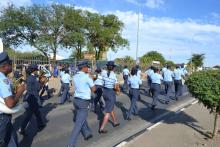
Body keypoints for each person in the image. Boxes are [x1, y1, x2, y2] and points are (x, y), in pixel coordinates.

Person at [0, 52, 26, 147]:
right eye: (10, 64)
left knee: (12, 140)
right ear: (4, 66)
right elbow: (10, 103)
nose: (12, 66)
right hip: (2, 117)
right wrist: (20, 91)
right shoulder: (3, 80)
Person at [68, 61, 96, 147]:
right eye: (87, 67)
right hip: (83, 101)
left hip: (76, 100)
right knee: (78, 124)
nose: (88, 68)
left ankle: (87, 133)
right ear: (84, 67)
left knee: (81, 118)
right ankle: (70, 144)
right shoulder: (87, 76)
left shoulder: (75, 76)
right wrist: (92, 79)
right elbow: (94, 89)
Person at [19, 64, 45, 136]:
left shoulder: (30, 77)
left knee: (37, 112)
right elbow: (37, 88)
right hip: (33, 97)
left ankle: (40, 123)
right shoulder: (33, 78)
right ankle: (22, 128)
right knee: (30, 114)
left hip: (30, 96)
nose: (38, 71)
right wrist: (42, 83)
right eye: (37, 70)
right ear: (34, 71)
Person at [99, 61, 120, 134]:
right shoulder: (114, 75)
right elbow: (116, 87)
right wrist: (117, 90)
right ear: (113, 67)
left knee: (110, 107)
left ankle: (115, 122)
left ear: (107, 67)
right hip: (111, 93)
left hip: (105, 92)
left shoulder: (103, 73)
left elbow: (102, 82)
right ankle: (101, 128)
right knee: (108, 111)